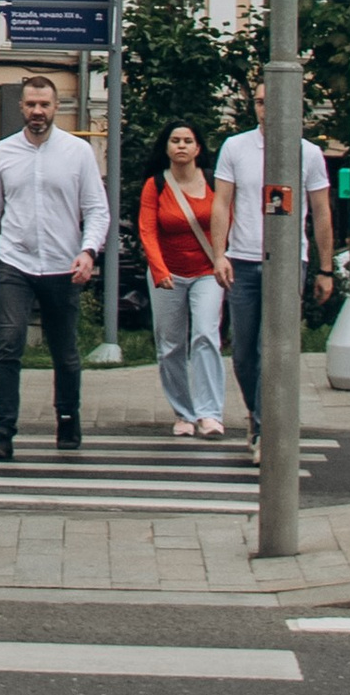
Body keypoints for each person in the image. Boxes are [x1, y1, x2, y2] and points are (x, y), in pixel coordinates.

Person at [0, 71, 110, 461]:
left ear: (57, 107)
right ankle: (3, 431)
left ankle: (67, 417)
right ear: (22, 108)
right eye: (31, 105)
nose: (37, 111)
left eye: (44, 105)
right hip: (16, 263)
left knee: (65, 350)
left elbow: (96, 209)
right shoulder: (4, 153)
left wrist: (88, 250)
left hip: (63, 265)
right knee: (8, 344)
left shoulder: (77, 153)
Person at [209, 81, 337, 442]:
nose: (266, 109)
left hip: (286, 261)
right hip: (243, 259)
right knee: (243, 352)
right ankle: (255, 412)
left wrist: (324, 269)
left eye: (273, 102)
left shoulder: (307, 153)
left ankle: (266, 430)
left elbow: (321, 212)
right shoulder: (235, 147)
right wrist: (219, 254)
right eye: (261, 103)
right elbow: (221, 203)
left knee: (272, 349)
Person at [138, 120, 227, 437]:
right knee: (171, 346)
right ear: (166, 147)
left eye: (188, 141)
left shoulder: (214, 181)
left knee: (205, 335)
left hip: (207, 273)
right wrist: (159, 270)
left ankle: (210, 414)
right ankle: (184, 414)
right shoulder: (156, 185)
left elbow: (227, 220)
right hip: (168, 275)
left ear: (198, 148)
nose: (181, 146)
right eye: (175, 140)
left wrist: (223, 259)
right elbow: (147, 230)